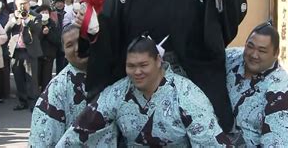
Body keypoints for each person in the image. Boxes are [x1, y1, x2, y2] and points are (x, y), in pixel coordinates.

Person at [77, 0, 247, 132]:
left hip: (187, 73)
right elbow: (105, 21)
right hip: (137, 75)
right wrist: (90, 23)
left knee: (203, 125)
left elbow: (229, 12)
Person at [57, 34, 231, 147]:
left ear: (157, 61)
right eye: (131, 66)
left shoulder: (187, 94)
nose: (137, 72)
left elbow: (210, 141)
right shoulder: (118, 92)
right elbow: (82, 129)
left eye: (143, 65)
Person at [225, 22, 288, 146]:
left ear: (276, 54)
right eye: (250, 46)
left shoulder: (280, 92)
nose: (254, 54)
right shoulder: (233, 58)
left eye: (262, 50)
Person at [29, 25, 89, 147]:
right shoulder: (57, 88)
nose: (77, 48)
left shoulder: (112, 75)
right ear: (64, 54)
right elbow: (42, 141)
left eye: (81, 41)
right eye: (69, 45)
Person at [5, 0, 43, 111]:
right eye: (20, 3)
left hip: (29, 51)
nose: (23, 6)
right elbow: (6, 30)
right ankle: (22, 101)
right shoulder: (12, 16)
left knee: (32, 79)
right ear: (16, 5)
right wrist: (14, 21)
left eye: (25, 3)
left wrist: (26, 19)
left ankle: (33, 103)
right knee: (18, 78)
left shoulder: (36, 15)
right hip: (16, 51)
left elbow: (37, 30)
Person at [36, 5, 60, 91]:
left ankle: (45, 93)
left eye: (46, 12)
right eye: (42, 12)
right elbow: (34, 40)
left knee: (47, 77)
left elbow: (57, 40)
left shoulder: (53, 24)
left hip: (49, 55)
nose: (44, 14)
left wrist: (48, 34)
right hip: (37, 55)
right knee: (36, 76)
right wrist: (42, 33)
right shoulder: (35, 24)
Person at [52, 0, 67, 74]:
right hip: (54, 42)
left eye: (61, 2)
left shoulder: (67, 14)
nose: (59, 4)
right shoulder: (52, 14)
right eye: (57, 2)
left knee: (63, 64)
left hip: (64, 42)